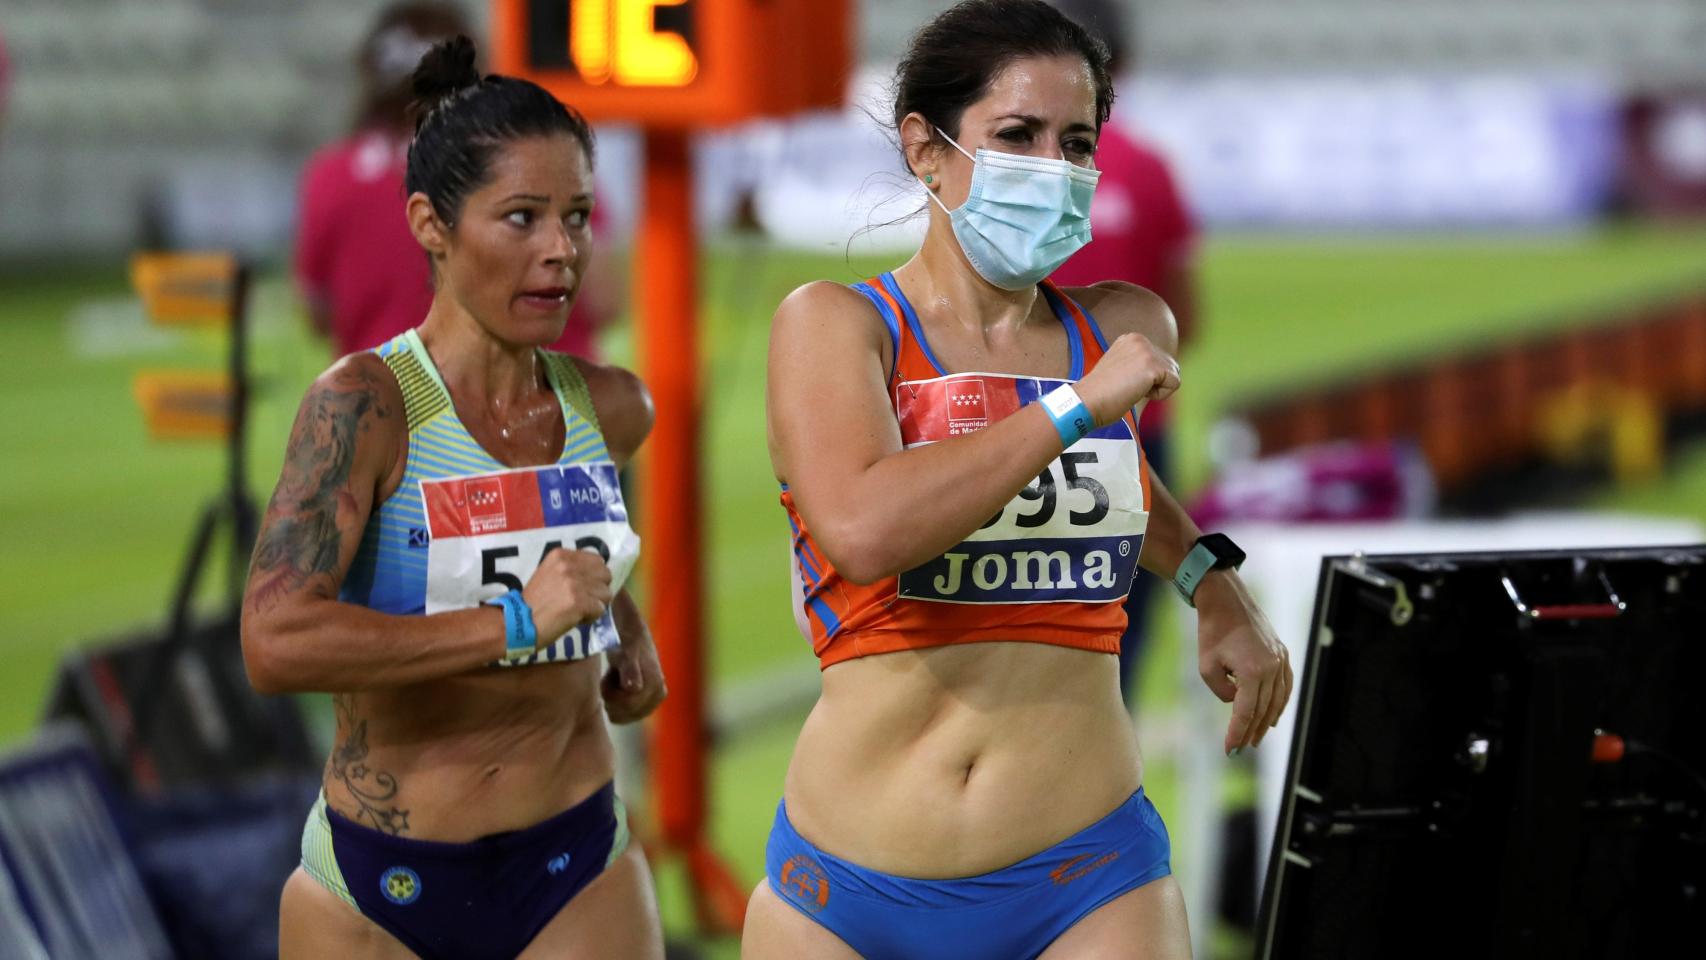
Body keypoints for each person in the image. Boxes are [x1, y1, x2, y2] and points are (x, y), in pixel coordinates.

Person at [742, 2, 1290, 958]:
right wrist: (1074, 405)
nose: (1054, 169)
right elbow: (865, 529)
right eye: (1017, 136)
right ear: (927, 148)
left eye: (1076, 143)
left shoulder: (1121, 326)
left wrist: (1213, 582)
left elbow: (1116, 479)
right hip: (845, 893)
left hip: (1089, 878)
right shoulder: (836, 325)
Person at [244, 37, 666, 960]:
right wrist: (517, 624)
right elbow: (276, 640)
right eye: (521, 218)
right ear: (431, 224)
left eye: (578, 217)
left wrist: (620, 625)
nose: (561, 251)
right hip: (381, 885)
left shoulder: (611, 406)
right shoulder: (364, 408)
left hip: (575, 866)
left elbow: (565, 553)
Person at [295, 2, 618, 360]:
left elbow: (318, 313)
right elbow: (603, 297)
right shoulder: (537, 157)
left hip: (389, 388)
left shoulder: (332, 176)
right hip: (539, 385)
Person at [1048, 0, 1200, 705]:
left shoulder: (1006, 175)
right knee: (1117, 658)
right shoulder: (1147, 169)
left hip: (1015, 429)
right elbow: (1186, 319)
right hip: (1137, 438)